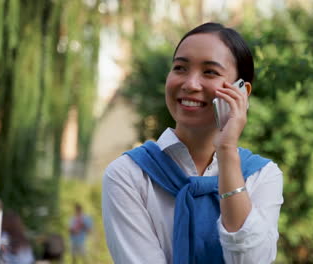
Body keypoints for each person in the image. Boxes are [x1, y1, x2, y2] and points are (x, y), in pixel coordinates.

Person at [102, 22, 284, 264]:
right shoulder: (129, 175)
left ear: (242, 92)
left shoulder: (261, 176)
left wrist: (227, 150)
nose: (190, 84)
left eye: (210, 72)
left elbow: (251, 260)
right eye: (180, 68)